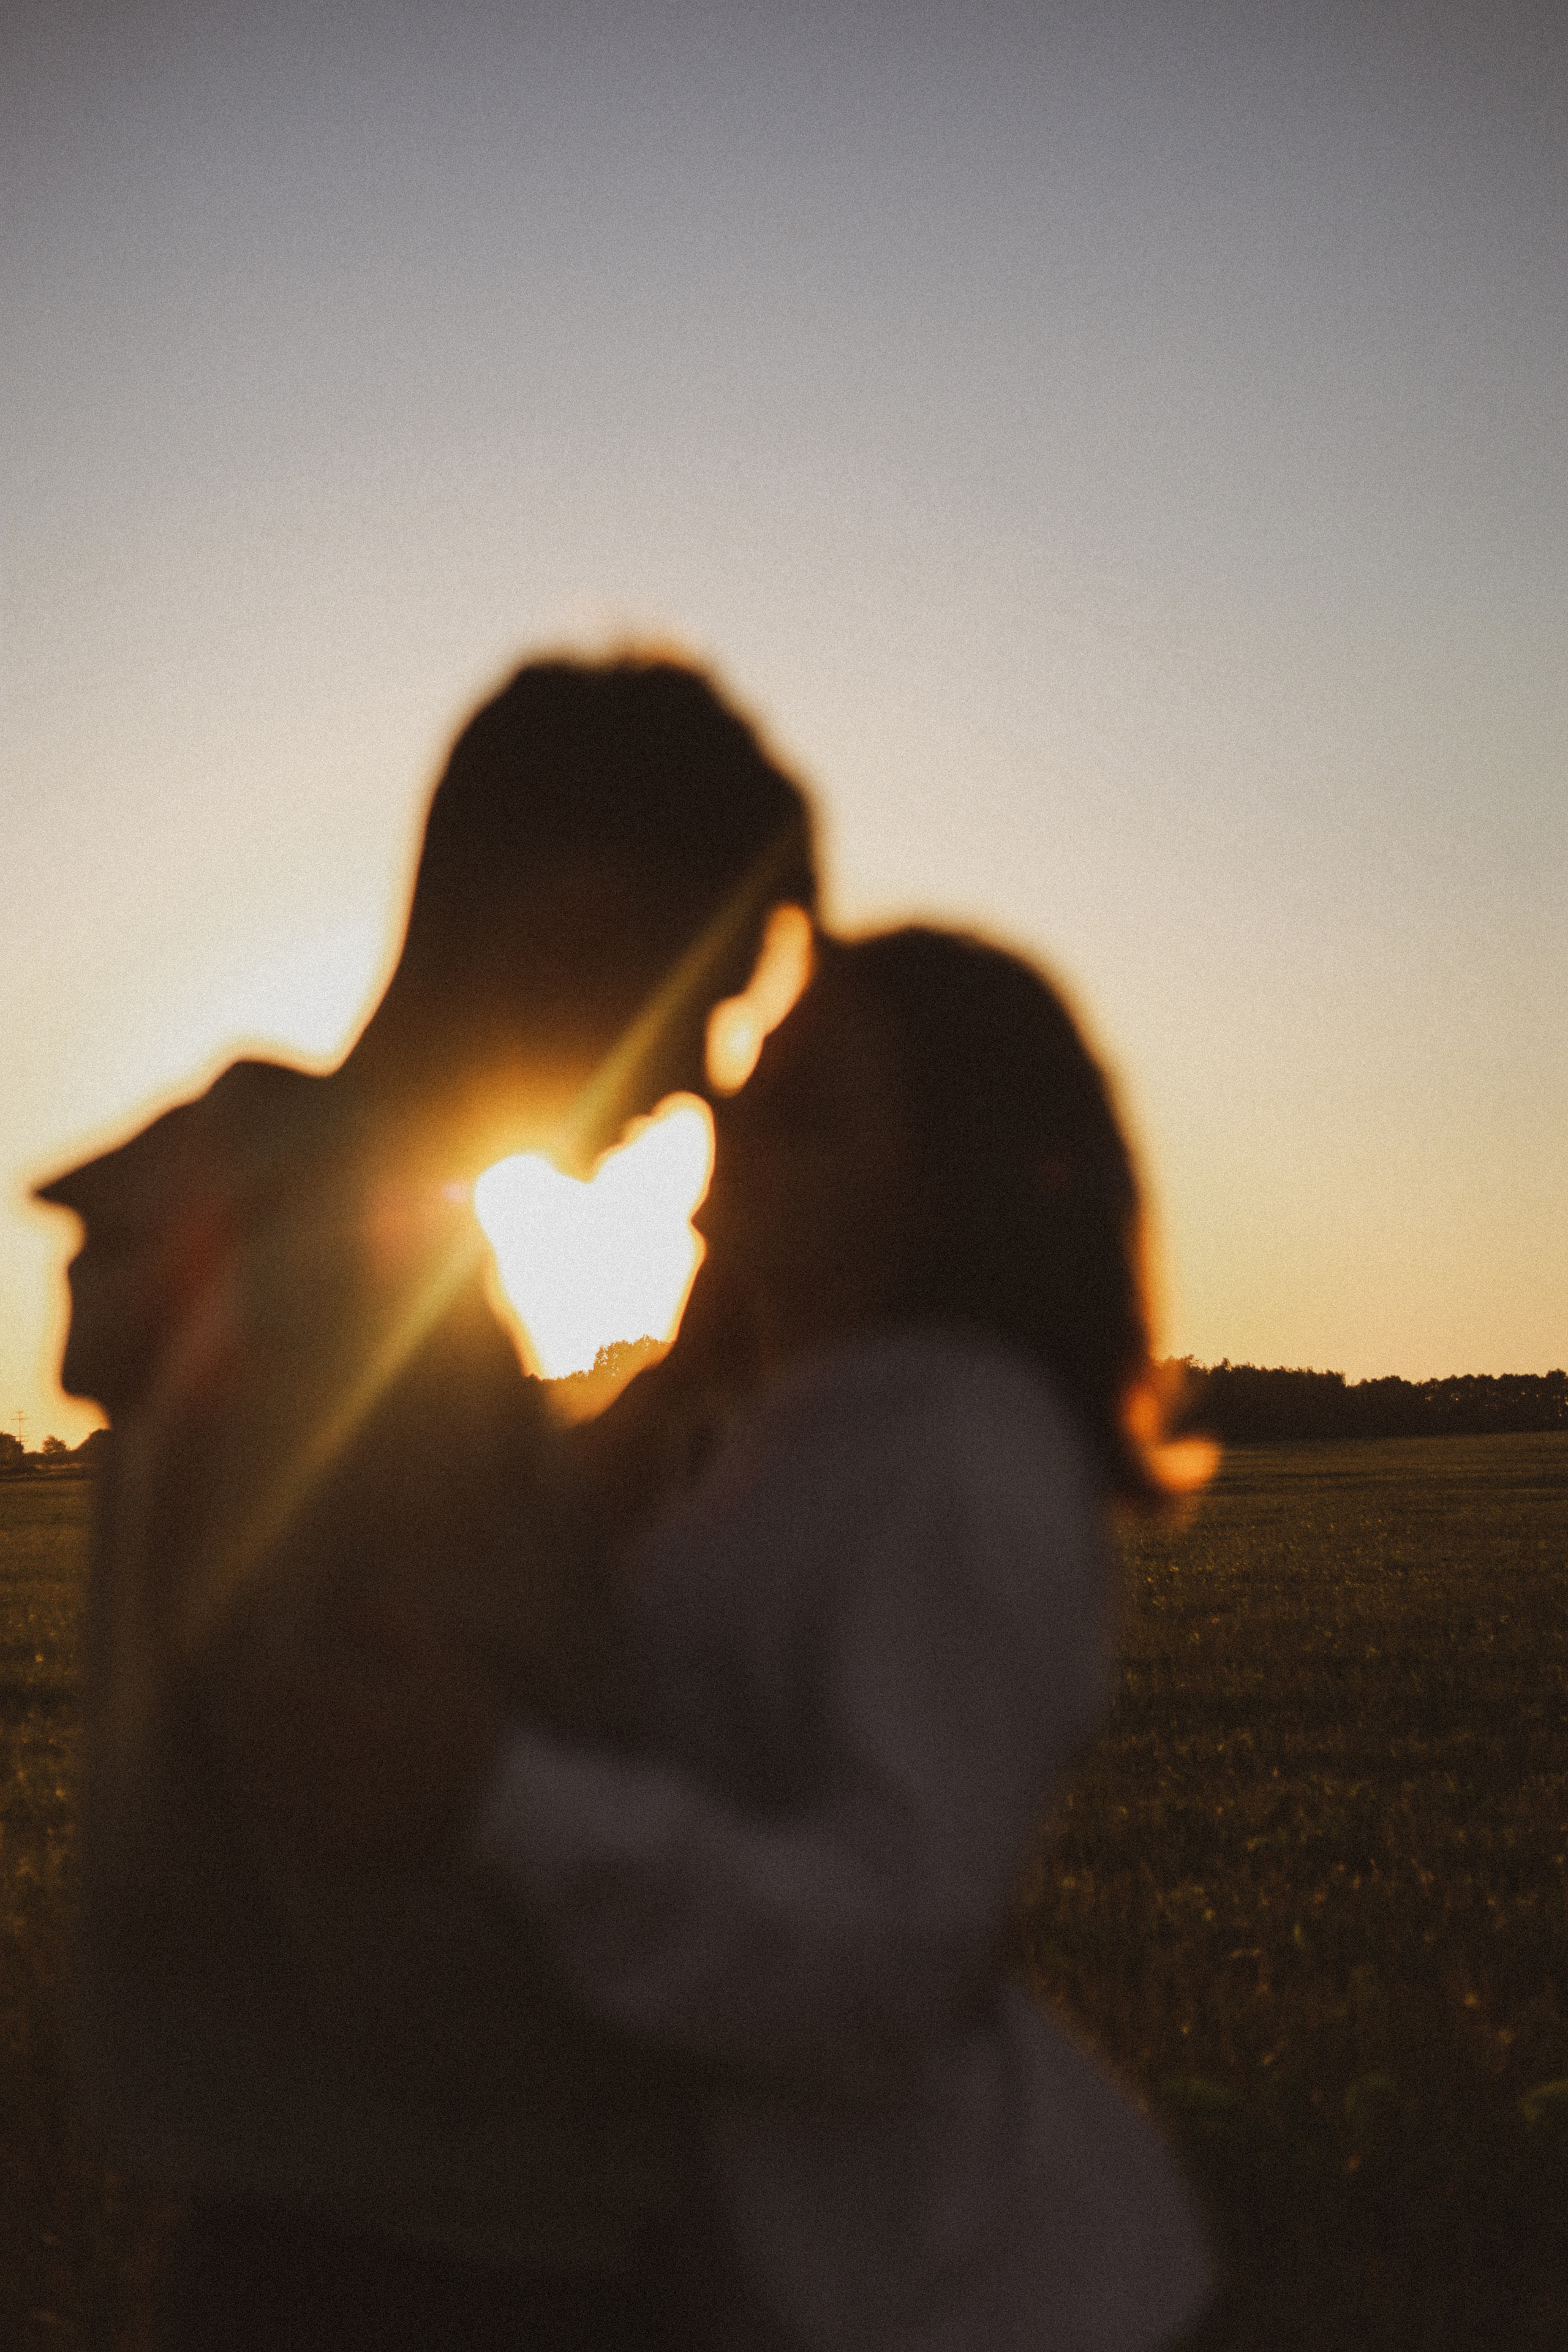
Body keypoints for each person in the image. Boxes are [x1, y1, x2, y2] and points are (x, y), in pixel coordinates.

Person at [34, 654, 818, 2350]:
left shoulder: (305, 1247)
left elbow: (439, 1627)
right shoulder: (343, 1303)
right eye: (710, 1005)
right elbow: (406, 1918)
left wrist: (612, 1455)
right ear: (583, 936)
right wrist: (798, 2019)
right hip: (441, 2270)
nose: (701, 1082)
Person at [454, 927, 1218, 2350]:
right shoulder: (794, 1435)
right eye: (752, 1080)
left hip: (967, 2294)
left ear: (933, 1197)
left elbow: (891, 1956)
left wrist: (498, 1797)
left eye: (799, 1109)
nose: (720, 1119)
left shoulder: (951, 1458)